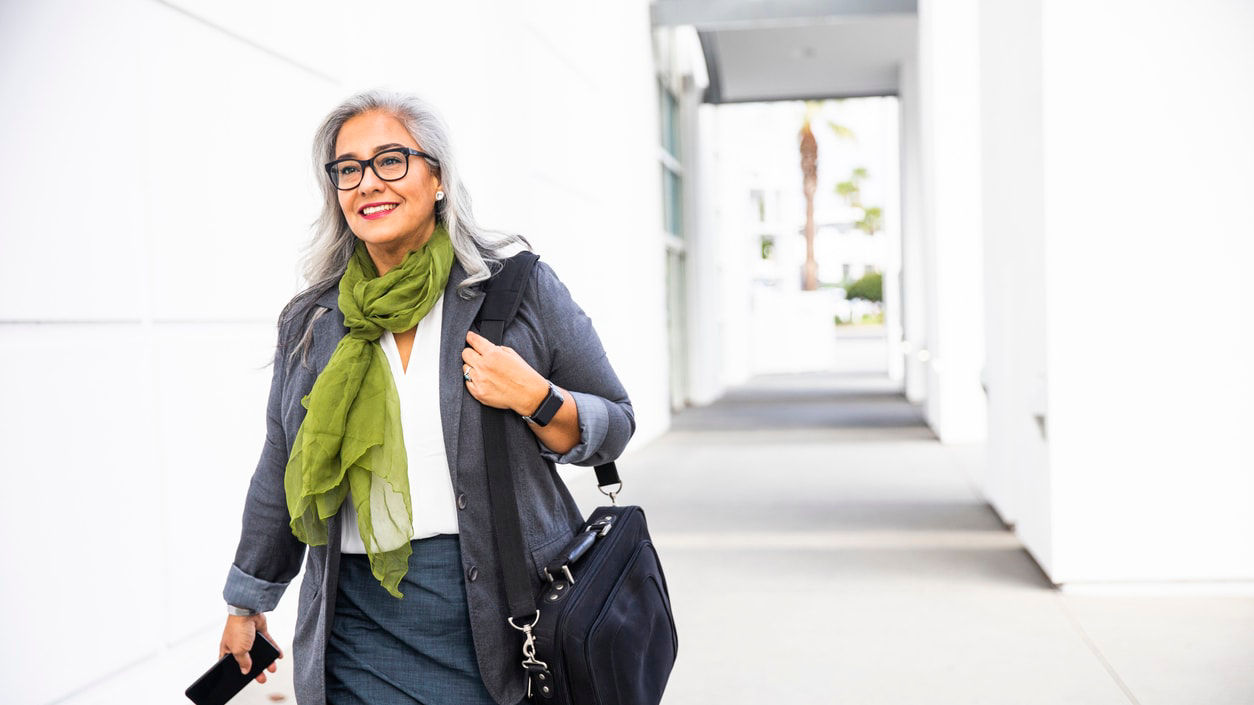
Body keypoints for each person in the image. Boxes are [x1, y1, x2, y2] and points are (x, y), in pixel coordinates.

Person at [217, 89, 635, 705]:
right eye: (348, 169)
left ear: (437, 177)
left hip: (503, 617)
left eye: (391, 160)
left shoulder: (515, 290)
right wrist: (247, 599)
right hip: (355, 624)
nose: (367, 183)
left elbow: (615, 422)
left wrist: (537, 398)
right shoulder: (314, 321)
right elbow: (281, 468)